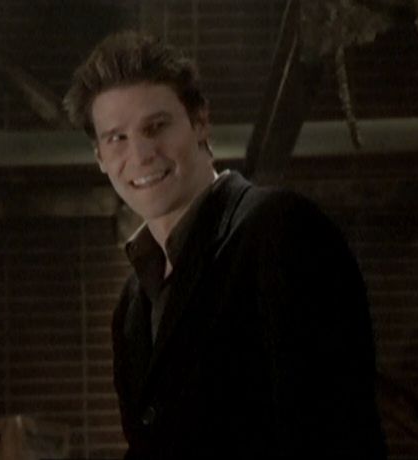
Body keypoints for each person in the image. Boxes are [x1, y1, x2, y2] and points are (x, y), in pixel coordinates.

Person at [63, 30, 386, 459]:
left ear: (200, 122)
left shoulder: (280, 230)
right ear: (100, 158)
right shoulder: (133, 305)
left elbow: (334, 433)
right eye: (116, 138)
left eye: (156, 126)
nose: (140, 154)